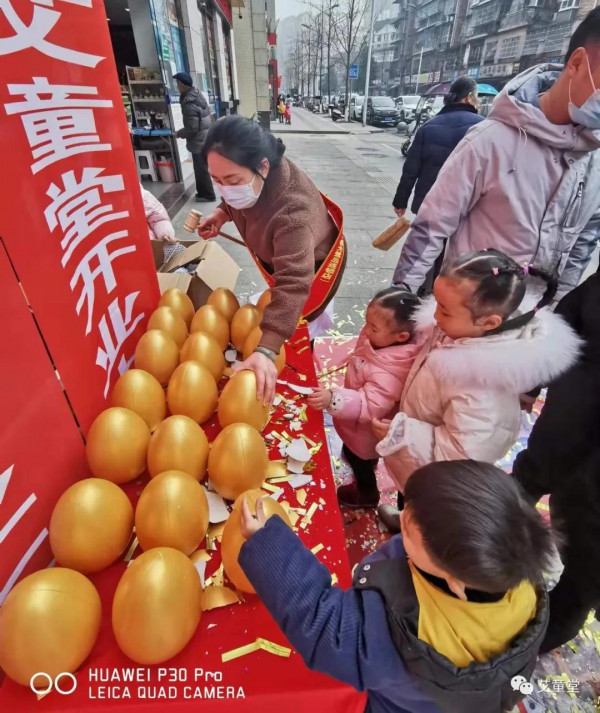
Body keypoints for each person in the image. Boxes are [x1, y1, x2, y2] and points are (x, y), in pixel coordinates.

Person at [237, 460, 555, 713]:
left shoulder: (398, 635)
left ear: (454, 583)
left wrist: (267, 542)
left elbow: (323, 626)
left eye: (409, 531)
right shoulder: (518, 576)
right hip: (470, 696)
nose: (400, 519)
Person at [392, 8, 600, 300]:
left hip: (536, 328)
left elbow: (582, 246)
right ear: (578, 63)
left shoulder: (593, 161)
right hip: (467, 321)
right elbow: (431, 227)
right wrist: (401, 299)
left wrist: (557, 316)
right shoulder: (490, 141)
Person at [376, 249, 581, 533]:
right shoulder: (460, 330)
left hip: (435, 476)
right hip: (416, 460)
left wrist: (400, 433)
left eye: (445, 310)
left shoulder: (484, 387)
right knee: (412, 502)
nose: (435, 316)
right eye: (436, 303)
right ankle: (406, 521)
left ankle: (417, 549)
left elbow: (462, 455)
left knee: (428, 522)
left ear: (489, 322)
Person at [198, 116, 346, 404]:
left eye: (232, 181)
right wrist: (221, 213)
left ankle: (298, 371)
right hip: (287, 261)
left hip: (311, 270)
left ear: (263, 167)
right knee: (277, 321)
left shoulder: (292, 213)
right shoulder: (252, 181)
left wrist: (267, 349)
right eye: (217, 181)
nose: (225, 190)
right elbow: (236, 196)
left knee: (297, 331)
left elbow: (293, 283)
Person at [513, 262, 600, 652]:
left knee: (584, 569)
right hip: (569, 420)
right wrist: (534, 378)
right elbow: (569, 320)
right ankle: (487, 563)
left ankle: (529, 647)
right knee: (521, 488)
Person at [307, 288, 421, 509]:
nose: (366, 330)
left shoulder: (390, 373)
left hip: (367, 431)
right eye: (366, 322)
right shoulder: (381, 340)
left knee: (358, 459)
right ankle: (368, 465)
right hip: (359, 427)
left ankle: (366, 494)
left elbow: (370, 405)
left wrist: (334, 398)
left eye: (374, 327)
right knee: (361, 456)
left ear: (401, 337)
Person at [393, 77, 483, 219]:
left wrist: (401, 201)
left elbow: (410, 170)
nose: (479, 101)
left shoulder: (428, 126)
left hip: (429, 204)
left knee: (427, 241)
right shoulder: (483, 127)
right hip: (465, 206)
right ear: (469, 98)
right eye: (477, 96)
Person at [173, 72, 215, 203]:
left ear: (182, 85)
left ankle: (208, 195)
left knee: (201, 169)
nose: (177, 87)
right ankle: (202, 192)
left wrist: (178, 133)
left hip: (199, 140)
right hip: (205, 137)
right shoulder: (197, 95)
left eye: (178, 84)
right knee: (200, 168)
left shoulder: (188, 102)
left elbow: (192, 128)